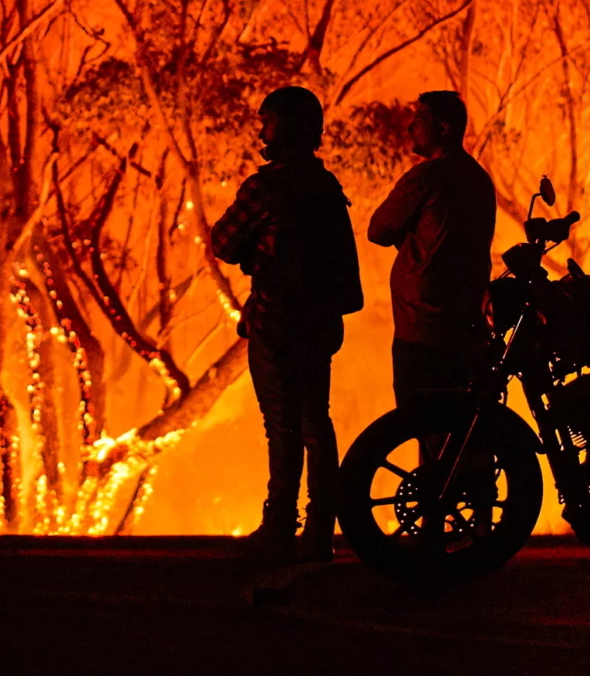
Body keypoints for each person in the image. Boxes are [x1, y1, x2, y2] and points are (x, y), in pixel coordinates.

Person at [209, 85, 363, 563]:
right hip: (319, 322)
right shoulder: (326, 187)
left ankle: (280, 525)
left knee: (282, 426)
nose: (261, 130)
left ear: (286, 127)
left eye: (268, 121)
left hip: (275, 319)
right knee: (317, 421)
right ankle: (319, 530)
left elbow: (223, 242)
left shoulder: (266, 188)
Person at [367, 90, 498, 412]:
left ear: (444, 128)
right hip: (466, 329)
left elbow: (379, 230)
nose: (411, 127)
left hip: (422, 330)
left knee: (424, 423)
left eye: (420, 119)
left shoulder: (427, 176)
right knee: (462, 428)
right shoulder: (479, 179)